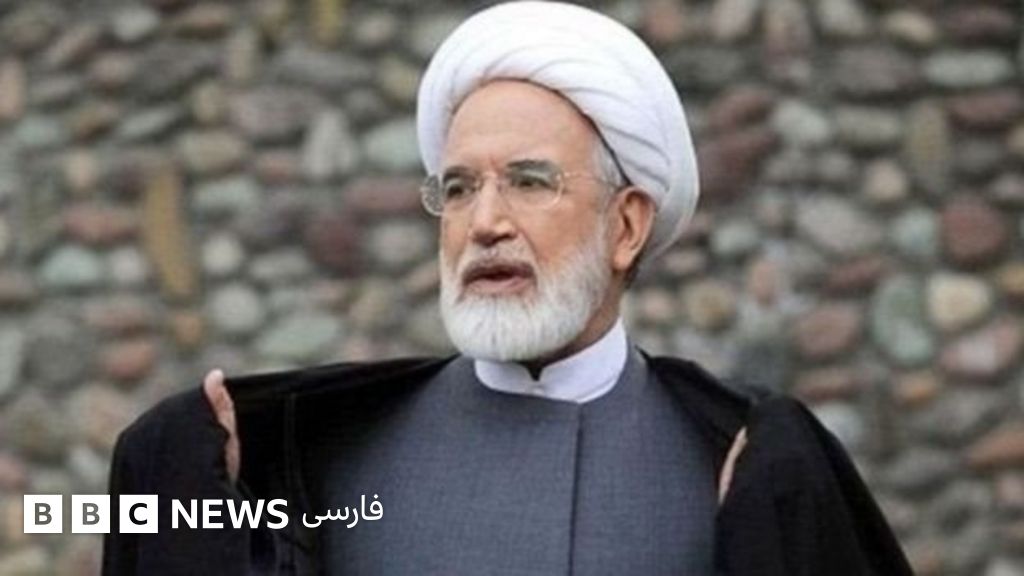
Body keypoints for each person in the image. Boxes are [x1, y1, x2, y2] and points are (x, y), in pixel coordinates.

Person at [102, 2, 913, 575]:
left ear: (627, 225)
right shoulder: (317, 466)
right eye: (458, 189)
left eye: (529, 181)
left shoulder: (747, 468)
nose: (485, 222)